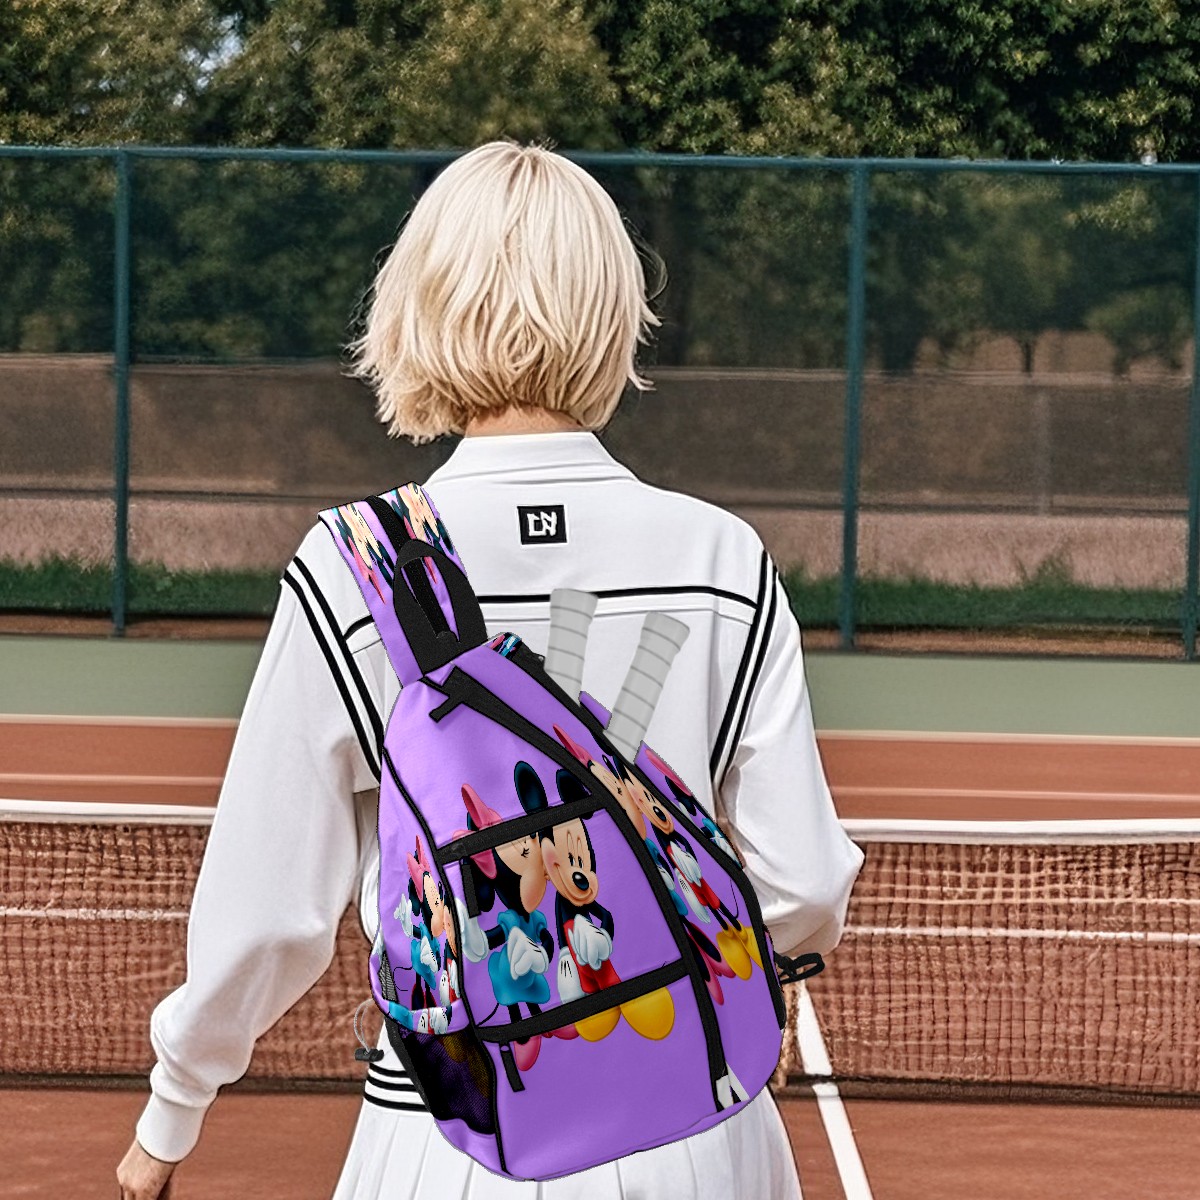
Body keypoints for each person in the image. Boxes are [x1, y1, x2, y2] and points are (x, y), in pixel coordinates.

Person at [118, 138, 864, 1200]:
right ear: (615, 312)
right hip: (696, 1113)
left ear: (421, 307)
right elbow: (806, 884)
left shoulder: (354, 566)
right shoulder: (723, 557)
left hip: (450, 1128)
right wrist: (740, 974)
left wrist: (172, 1113)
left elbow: (269, 913)